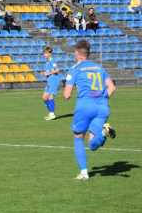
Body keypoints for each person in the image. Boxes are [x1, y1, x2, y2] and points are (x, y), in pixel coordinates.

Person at [64, 40, 116, 180]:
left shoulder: (75, 69)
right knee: (93, 144)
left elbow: (67, 95)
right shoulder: (100, 68)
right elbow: (112, 88)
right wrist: (102, 99)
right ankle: (104, 134)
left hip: (85, 106)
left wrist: (69, 90)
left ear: (77, 53)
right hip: (102, 107)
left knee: (78, 136)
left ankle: (84, 172)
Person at [42, 46, 62, 121]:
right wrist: (45, 73)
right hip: (49, 81)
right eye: (44, 53)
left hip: (54, 81)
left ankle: (52, 114)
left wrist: (48, 73)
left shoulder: (52, 60)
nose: (44, 55)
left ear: (49, 53)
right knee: (44, 97)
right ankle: (51, 112)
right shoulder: (47, 61)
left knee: (50, 97)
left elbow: (57, 70)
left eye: (45, 53)